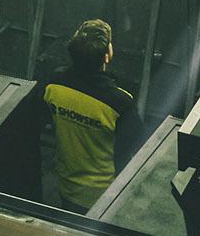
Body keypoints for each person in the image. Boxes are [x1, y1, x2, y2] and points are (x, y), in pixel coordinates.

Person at [41, 18, 144, 210]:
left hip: (66, 189)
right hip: (104, 197)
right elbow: (136, 147)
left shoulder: (54, 86)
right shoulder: (119, 103)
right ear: (107, 56)